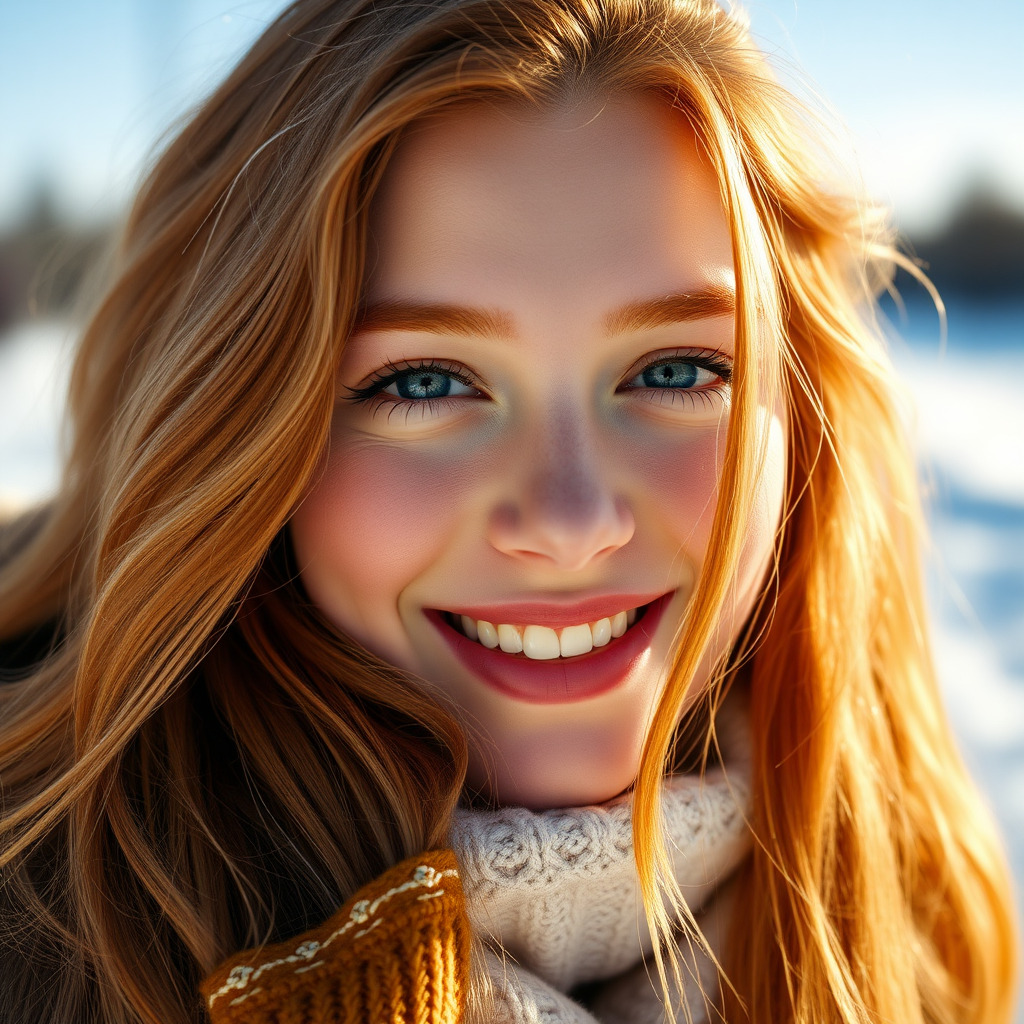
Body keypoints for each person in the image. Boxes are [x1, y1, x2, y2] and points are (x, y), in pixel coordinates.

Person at [0, 1, 1017, 1022]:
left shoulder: (913, 942)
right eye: (428, 383)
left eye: (675, 368)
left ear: (800, 412)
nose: (569, 522)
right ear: (233, 424)